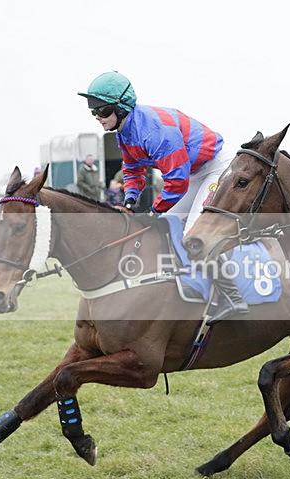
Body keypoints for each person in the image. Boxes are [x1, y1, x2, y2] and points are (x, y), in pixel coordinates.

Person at [78, 71, 246, 324]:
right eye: (93, 112)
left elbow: (176, 182)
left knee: (194, 232)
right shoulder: (125, 131)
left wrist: (154, 210)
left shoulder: (156, 131)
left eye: (101, 111)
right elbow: (132, 169)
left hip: (215, 167)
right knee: (168, 225)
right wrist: (130, 200)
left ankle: (232, 297)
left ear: (121, 108)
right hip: (192, 171)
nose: (97, 118)